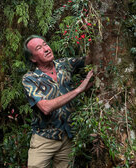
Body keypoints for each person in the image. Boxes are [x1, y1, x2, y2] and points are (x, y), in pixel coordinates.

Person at [22, 35, 93, 168]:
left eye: (45, 44)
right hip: (44, 138)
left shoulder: (64, 64)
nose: (46, 49)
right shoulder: (30, 78)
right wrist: (78, 90)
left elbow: (89, 60)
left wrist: (94, 37)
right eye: (39, 48)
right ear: (33, 58)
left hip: (67, 137)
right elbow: (45, 108)